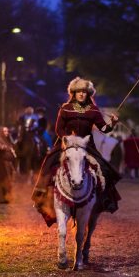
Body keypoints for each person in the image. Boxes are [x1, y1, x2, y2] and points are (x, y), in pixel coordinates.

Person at [32, 77, 120, 226]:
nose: (81, 94)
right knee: (49, 161)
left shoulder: (93, 110)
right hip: (66, 143)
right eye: (78, 91)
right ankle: (41, 194)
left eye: (84, 92)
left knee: (104, 168)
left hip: (87, 145)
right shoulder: (65, 108)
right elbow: (58, 129)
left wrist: (113, 123)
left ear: (88, 94)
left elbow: (103, 129)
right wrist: (67, 139)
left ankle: (105, 199)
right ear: (73, 93)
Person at [0, 126, 17, 203]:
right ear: (1, 132)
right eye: (5, 131)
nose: (6, 133)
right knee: (3, 180)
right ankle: (2, 198)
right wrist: (4, 147)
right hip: (1, 164)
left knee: (8, 180)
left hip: (8, 164)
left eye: (7, 131)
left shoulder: (7, 141)